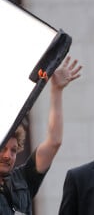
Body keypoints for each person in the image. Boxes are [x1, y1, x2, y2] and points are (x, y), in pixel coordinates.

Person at [0, 56, 81, 215]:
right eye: (3, 148)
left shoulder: (22, 178)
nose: (8, 155)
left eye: (14, 150)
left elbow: (53, 142)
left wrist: (56, 90)